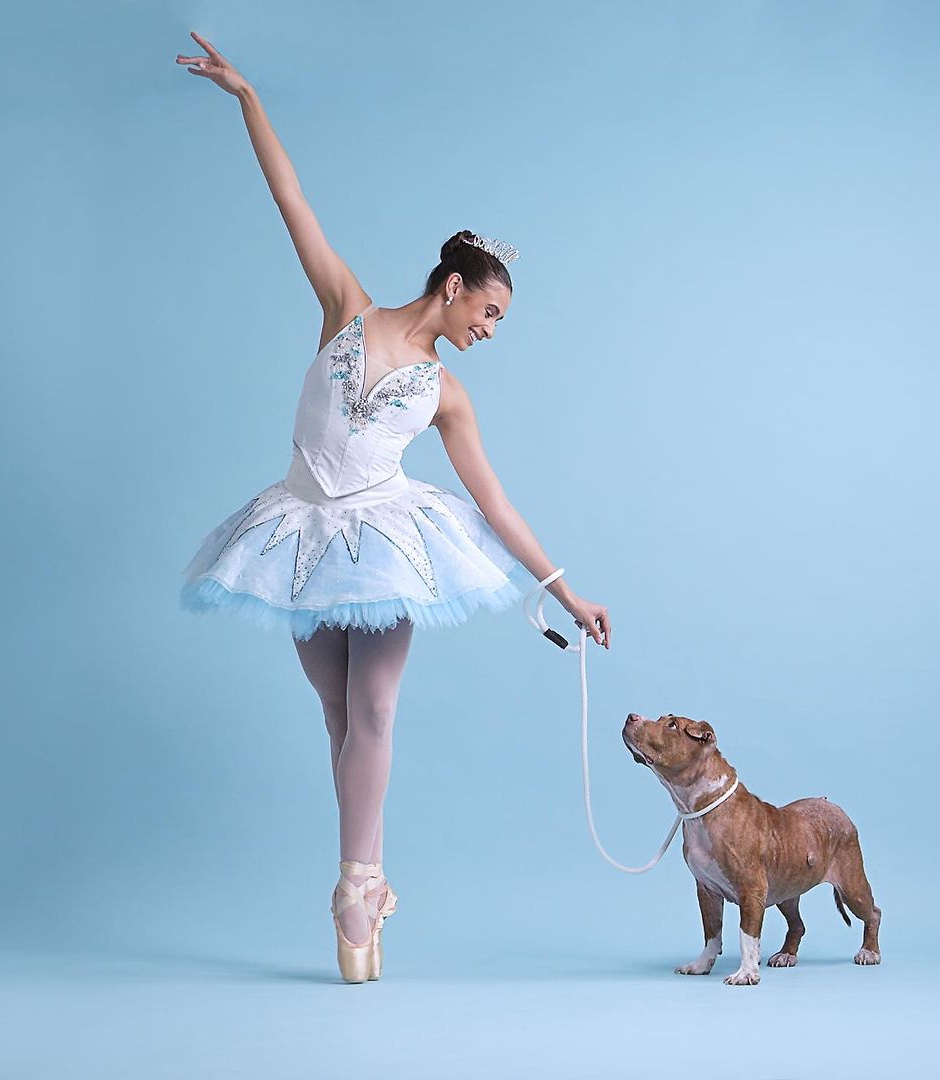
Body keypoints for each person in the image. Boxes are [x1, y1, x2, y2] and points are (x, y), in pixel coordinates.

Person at [174, 31, 612, 984]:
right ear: (453, 288)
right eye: (487, 313)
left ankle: (353, 891)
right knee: (337, 717)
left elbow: (491, 502)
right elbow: (290, 200)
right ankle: (369, 883)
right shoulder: (345, 308)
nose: (488, 332)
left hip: (388, 541)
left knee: (372, 710)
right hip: (294, 535)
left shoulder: (446, 393)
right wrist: (247, 94)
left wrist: (566, 594)